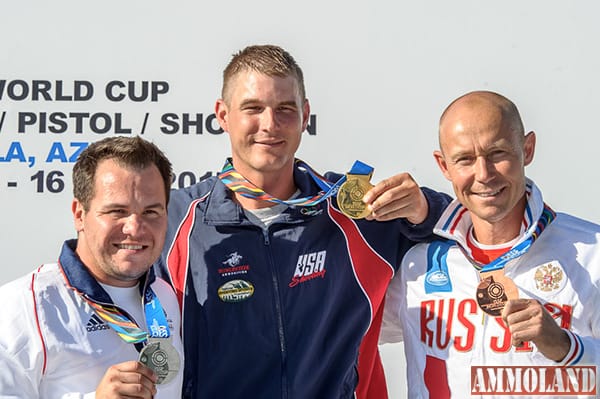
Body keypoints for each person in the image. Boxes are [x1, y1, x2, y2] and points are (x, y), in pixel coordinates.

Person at [156, 44, 450, 399]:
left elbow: (475, 231)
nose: (270, 124)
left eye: (285, 109)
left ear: (305, 114)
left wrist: (424, 208)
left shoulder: (354, 211)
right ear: (222, 114)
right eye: (253, 108)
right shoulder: (173, 220)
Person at [381, 90, 600, 398]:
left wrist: (566, 347)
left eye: (497, 154)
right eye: (465, 160)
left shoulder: (593, 252)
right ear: (444, 166)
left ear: (528, 148)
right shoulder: (419, 264)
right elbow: (337, 331)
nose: (483, 174)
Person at [0, 136, 184, 398]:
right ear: (79, 214)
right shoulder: (23, 305)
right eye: (116, 211)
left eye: (151, 212)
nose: (134, 228)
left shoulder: (166, 295)